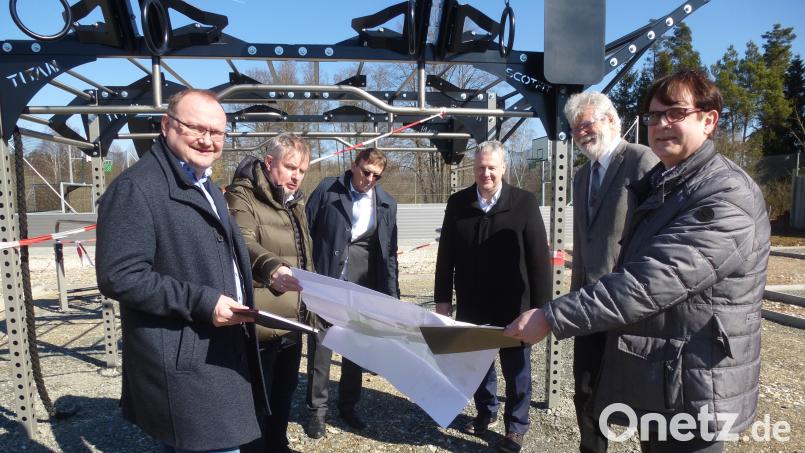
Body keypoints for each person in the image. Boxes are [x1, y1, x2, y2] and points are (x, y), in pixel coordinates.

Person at [504, 70, 770, 453]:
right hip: (662, 364)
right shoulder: (672, 181)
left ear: (708, 120)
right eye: (653, 116)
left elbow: (652, 279)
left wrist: (551, 315)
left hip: (694, 377)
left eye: (675, 113)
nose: (661, 125)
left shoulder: (724, 194)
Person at [96, 89, 268, 452]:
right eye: (196, 128)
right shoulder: (137, 188)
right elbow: (119, 275)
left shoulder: (205, 183)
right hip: (187, 356)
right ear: (166, 125)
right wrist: (204, 302)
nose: (208, 140)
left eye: (217, 132)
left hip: (214, 348)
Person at [434, 140, 552, 453]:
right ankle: (486, 411)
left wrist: (543, 309)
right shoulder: (458, 204)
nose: (485, 173)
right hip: (473, 303)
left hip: (514, 305)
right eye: (480, 167)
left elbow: (540, 258)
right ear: (472, 169)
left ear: (503, 169)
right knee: (478, 365)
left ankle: (516, 426)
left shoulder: (523, 203)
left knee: (516, 370)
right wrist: (442, 298)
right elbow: (445, 255)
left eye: (491, 167)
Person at [564, 91, 659, 453]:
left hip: (629, 303)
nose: (582, 133)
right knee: (585, 389)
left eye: (587, 123)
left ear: (611, 120)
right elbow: (583, 241)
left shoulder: (641, 162)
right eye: (576, 128)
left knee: (640, 397)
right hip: (589, 304)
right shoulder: (581, 176)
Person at [225, 132, 313, 453]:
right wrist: (271, 267)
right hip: (260, 324)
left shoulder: (295, 204)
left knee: (284, 393)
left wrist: (313, 305)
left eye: (301, 171)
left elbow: (305, 258)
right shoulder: (242, 196)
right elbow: (242, 241)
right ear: (269, 163)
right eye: (290, 167)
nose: (296, 176)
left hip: (291, 322)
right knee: (256, 403)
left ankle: (278, 445)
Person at [304, 147, 399, 439]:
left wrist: (392, 296)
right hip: (326, 280)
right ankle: (316, 412)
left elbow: (389, 254)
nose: (369, 179)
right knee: (321, 348)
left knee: (355, 350)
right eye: (365, 171)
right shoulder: (327, 190)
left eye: (376, 176)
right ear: (354, 165)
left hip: (362, 288)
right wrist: (305, 277)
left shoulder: (385, 204)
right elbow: (305, 232)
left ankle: (348, 405)